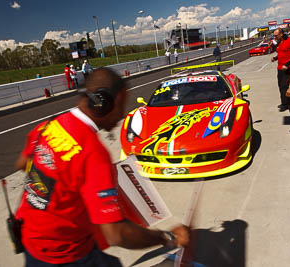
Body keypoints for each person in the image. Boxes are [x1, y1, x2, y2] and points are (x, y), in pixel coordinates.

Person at [14, 67, 190, 266]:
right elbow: (116, 235)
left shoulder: (49, 125)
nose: (121, 115)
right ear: (102, 103)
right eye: (121, 105)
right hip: (66, 254)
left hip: (31, 241)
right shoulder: (92, 153)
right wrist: (167, 237)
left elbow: (22, 164)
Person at [271, 28, 290, 112]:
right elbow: (281, 52)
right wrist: (275, 58)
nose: (274, 37)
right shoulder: (279, 43)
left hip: (288, 68)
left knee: (285, 86)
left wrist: (289, 63)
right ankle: (284, 102)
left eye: (275, 35)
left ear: (281, 34)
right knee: (281, 86)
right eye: (273, 36)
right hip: (280, 68)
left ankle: (287, 104)